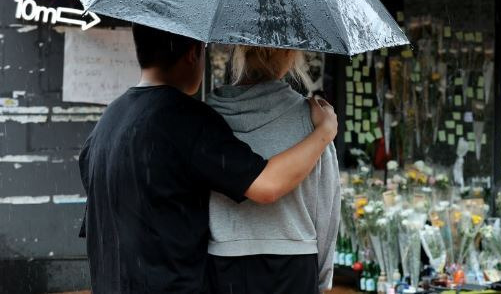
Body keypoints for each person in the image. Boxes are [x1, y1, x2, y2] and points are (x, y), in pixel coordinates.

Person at [78, 24, 337, 294]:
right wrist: (325, 131)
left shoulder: (107, 121)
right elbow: (266, 184)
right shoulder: (184, 119)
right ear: (193, 53)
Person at [206, 46, 341, 294]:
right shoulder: (315, 120)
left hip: (223, 263)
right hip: (295, 263)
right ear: (291, 56)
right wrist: (322, 279)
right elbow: (327, 211)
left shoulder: (207, 117)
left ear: (239, 53)